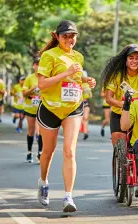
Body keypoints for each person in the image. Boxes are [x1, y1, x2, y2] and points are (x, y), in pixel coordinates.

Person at [36, 20, 96, 212]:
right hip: (50, 108)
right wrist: (67, 73)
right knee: (48, 151)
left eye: (73, 36)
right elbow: (42, 85)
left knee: (69, 150)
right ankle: (43, 181)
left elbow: (75, 78)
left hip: (73, 107)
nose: (70, 39)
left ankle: (68, 197)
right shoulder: (49, 55)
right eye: (66, 36)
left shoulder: (78, 56)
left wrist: (86, 80)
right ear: (57, 37)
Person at [23, 57, 42, 163]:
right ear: (34, 66)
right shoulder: (29, 78)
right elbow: (24, 93)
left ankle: (40, 152)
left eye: (40, 64)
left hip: (42, 108)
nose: (38, 66)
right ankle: (29, 152)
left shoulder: (45, 77)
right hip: (30, 108)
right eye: (37, 64)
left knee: (41, 132)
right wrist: (33, 88)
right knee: (31, 131)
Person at [81, 71, 92, 140]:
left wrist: (89, 94)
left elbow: (90, 95)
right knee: (80, 118)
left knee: (85, 117)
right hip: (79, 102)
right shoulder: (79, 83)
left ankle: (85, 133)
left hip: (86, 102)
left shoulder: (88, 85)